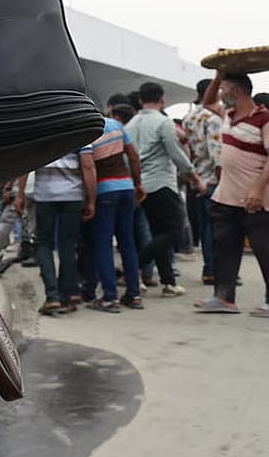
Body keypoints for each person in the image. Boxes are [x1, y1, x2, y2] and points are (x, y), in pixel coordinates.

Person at [195, 72, 269, 315]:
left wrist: (258, 189)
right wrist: (218, 76)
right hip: (226, 197)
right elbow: (206, 103)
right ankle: (224, 298)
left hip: (256, 199)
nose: (220, 93)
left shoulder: (264, 118)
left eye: (223, 89)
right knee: (224, 248)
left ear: (237, 91)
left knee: (264, 249)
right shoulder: (227, 116)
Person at [126, 82, 204, 297]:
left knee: (159, 234)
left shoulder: (130, 125)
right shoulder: (164, 122)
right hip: (162, 184)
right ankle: (133, 267)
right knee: (174, 233)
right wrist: (195, 178)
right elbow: (176, 153)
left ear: (140, 100)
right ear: (162, 100)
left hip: (140, 186)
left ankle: (169, 283)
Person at [79, 108, 145, 311]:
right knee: (127, 243)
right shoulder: (116, 125)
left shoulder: (87, 131)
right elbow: (133, 157)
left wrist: (90, 200)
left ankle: (110, 297)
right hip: (126, 187)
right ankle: (134, 294)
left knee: (103, 244)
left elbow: (88, 166)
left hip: (105, 191)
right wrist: (138, 184)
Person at [33, 146, 96, 314]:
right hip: (72, 195)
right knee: (67, 245)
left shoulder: (41, 127)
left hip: (44, 195)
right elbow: (88, 165)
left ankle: (52, 297)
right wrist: (91, 199)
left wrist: (19, 196)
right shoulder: (80, 128)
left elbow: (27, 164)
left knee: (43, 244)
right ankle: (66, 298)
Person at [182, 78, 224, 284]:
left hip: (197, 177)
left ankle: (209, 268)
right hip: (213, 179)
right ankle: (212, 269)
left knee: (205, 225)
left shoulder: (189, 117)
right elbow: (218, 154)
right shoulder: (213, 119)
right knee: (215, 228)